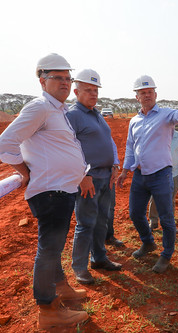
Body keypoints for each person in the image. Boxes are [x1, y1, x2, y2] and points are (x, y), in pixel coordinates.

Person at [0, 53, 89, 329]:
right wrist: (24, 171)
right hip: (51, 192)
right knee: (49, 249)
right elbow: (5, 143)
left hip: (62, 190)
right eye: (57, 78)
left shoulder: (57, 110)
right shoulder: (39, 107)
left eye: (67, 78)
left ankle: (60, 287)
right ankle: (48, 311)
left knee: (54, 247)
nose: (64, 83)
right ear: (42, 81)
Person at [117, 75, 178, 274]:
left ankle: (166, 254)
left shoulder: (165, 115)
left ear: (155, 94)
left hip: (161, 175)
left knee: (166, 218)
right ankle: (148, 242)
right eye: (142, 92)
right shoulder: (134, 121)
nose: (147, 95)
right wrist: (125, 171)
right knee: (135, 213)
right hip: (139, 175)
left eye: (150, 92)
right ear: (137, 97)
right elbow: (130, 146)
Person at [67, 69, 122, 285]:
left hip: (106, 177)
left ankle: (98, 258)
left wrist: (115, 166)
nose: (93, 94)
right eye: (88, 90)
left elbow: (108, 142)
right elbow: (68, 149)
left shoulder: (97, 114)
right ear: (76, 91)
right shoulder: (73, 116)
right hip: (89, 180)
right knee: (85, 224)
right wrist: (82, 175)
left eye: (95, 90)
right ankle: (79, 267)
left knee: (101, 222)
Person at [148, 130, 178, 229]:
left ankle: (168, 223)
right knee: (154, 198)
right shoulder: (155, 135)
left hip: (173, 173)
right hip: (157, 172)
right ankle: (153, 221)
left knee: (171, 199)